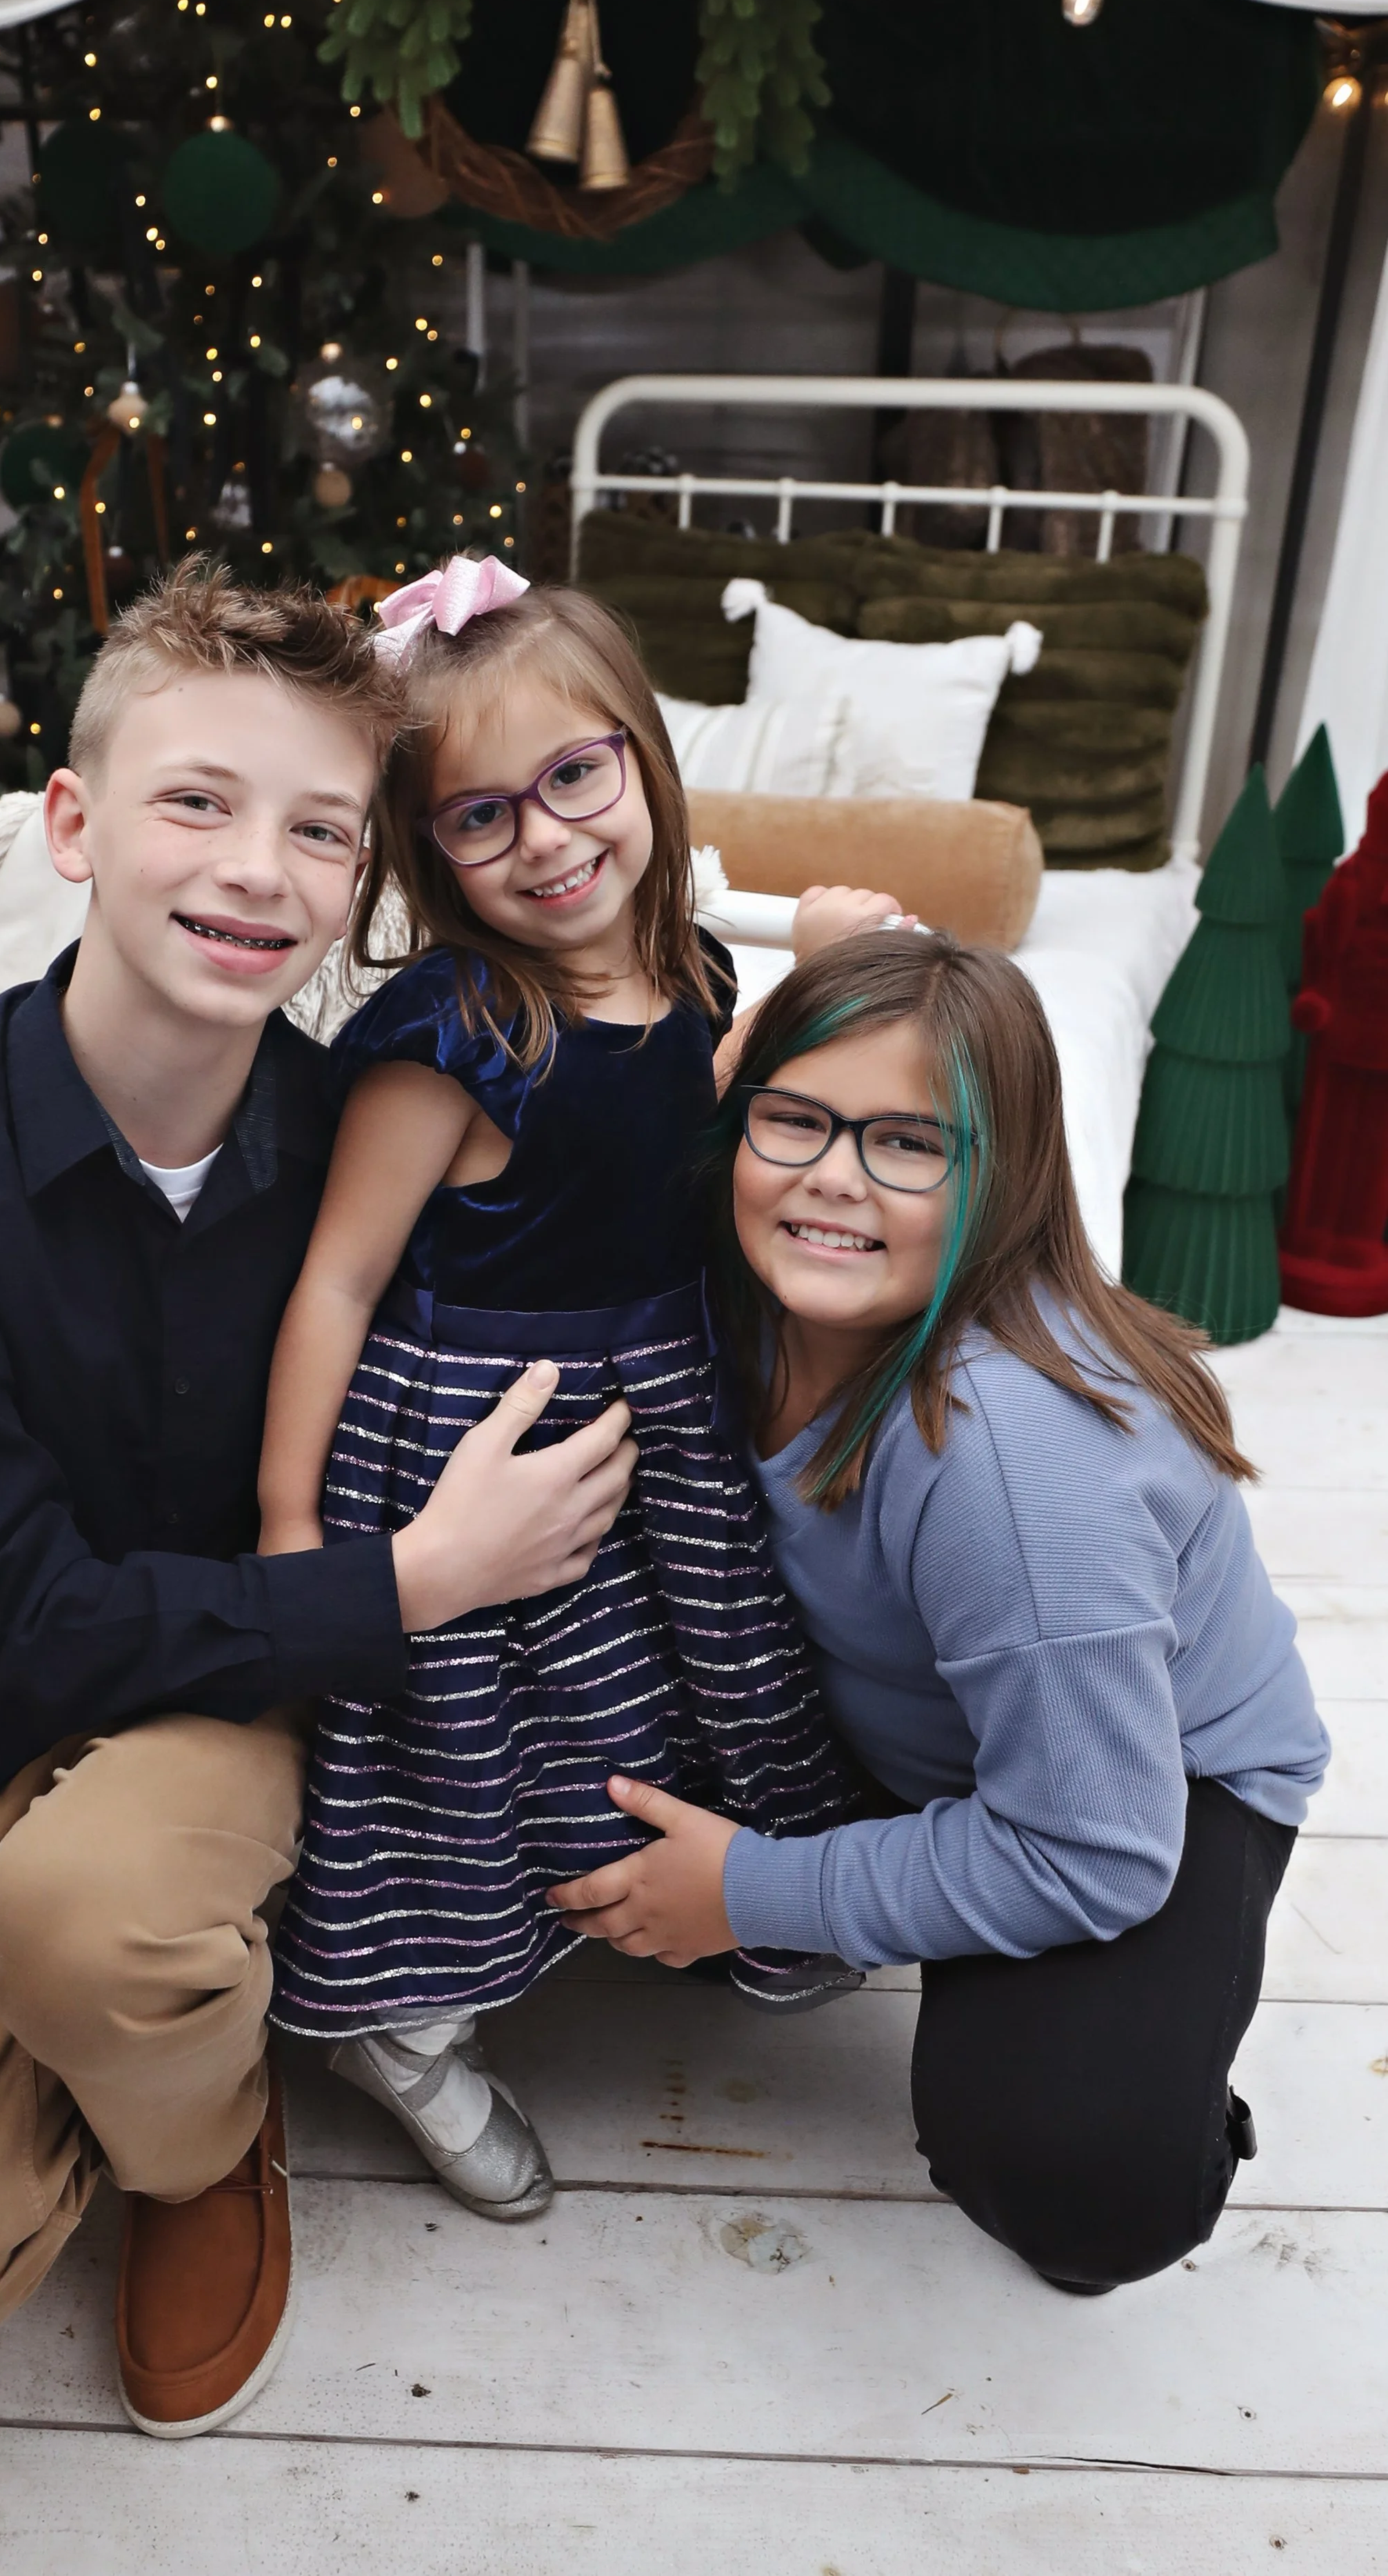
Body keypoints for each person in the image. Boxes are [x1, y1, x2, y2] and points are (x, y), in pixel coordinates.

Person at [0, 564, 638, 2439]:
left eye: (320, 828)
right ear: (73, 823)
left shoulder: (370, 1126)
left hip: (239, 1688)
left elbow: (650, 1135)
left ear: (362, 879)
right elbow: (0, 1616)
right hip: (0, 1686)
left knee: (94, 1919)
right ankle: (112, 2043)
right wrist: (403, 1582)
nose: (259, 869)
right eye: (197, 801)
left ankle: (196, 2140)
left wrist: (843, 985)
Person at [547, 929, 1329, 2295]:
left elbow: (1093, 1851)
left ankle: (1157, 2084)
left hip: (1145, 1784)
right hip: (918, 1725)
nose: (832, 1178)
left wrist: (753, 1891)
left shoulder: (1006, 1464)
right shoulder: (740, 1281)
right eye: (793, 1122)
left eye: (909, 1144)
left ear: (1002, 1176)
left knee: (1070, 2166)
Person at [256, 556, 869, 2221]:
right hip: (480, 1427)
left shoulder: (694, 974)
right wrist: (295, 1523)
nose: (543, 839)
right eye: (477, 817)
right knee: (484, 1734)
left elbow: (697, 1131)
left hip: (652, 1396)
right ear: (421, 849)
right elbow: (336, 1280)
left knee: (702, 1661)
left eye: (575, 779)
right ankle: (411, 2017)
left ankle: (713, 1900)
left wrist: (815, 964)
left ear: (643, 766)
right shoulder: (452, 1030)